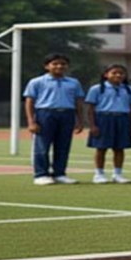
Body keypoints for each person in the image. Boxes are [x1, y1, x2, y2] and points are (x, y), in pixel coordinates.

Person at [23, 53, 86, 185]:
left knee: (63, 146)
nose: (59, 66)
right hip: (45, 113)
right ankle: (41, 174)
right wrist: (31, 121)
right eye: (55, 64)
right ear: (47, 66)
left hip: (67, 114)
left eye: (63, 64)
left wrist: (80, 120)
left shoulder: (74, 83)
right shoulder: (37, 82)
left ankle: (59, 173)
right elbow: (29, 102)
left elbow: (78, 102)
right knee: (42, 146)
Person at [84, 63, 131, 184]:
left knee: (119, 148)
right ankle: (99, 174)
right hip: (103, 119)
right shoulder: (97, 89)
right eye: (114, 73)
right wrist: (92, 125)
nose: (118, 75)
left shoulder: (129, 89)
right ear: (106, 75)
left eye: (121, 73)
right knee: (101, 148)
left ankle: (117, 174)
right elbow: (90, 108)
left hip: (122, 119)